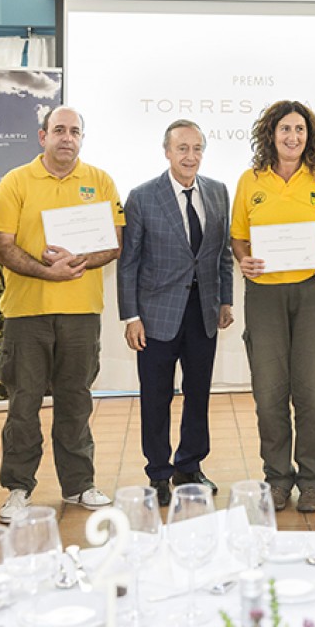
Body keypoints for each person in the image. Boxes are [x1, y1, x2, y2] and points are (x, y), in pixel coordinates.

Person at [0, 106, 124, 522]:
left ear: (82, 138)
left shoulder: (99, 181)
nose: (67, 138)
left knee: (76, 402)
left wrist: (78, 258)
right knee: (23, 404)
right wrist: (48, 271)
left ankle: (78, 485)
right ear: (42, 135)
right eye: (59, 130)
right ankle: (17, 488)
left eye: (75, 132)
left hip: (82, 313)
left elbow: (115, 242)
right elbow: (2, 245)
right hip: (27, 313)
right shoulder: (16, 181)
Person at [231, 100, 315, 513]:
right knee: (269, 393)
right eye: (285, 129)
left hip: (314, 291)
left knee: (312, 394)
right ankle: (277, 480)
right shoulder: (251, 180)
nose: (293, 137)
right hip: (265, 295)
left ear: (309, 135)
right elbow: (239, 237)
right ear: (271, 134)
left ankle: (312, 480)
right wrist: (242, 258)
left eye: (300, 129)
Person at [118, 119, 234, 507]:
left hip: (203, 313)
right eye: (182, 148)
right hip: (155, 316)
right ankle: (158, 472)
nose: (190, 156)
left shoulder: (218, 192)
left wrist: (226, 300)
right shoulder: (142, 196)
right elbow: (129, 262)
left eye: (197, 148)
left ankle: (189, 465)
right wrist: (130, 316)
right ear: (167, 152)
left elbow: (223, 255)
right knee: (155, 397)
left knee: (198, 394)